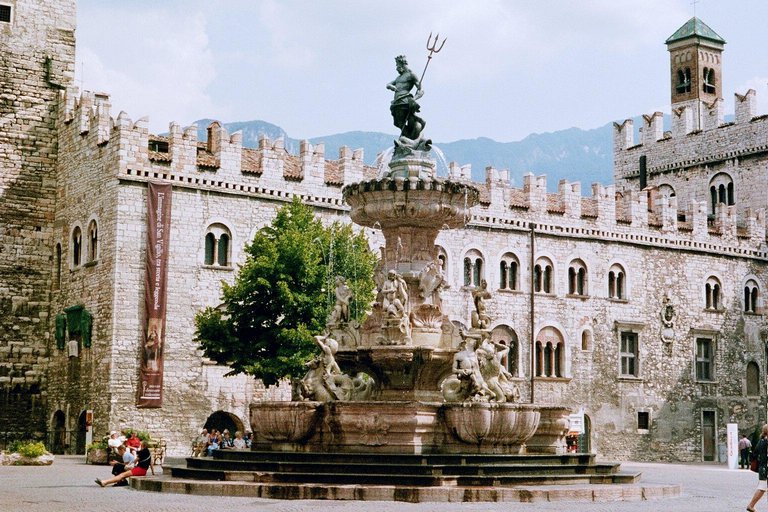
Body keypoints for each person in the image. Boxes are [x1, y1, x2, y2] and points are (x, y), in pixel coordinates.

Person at [747, 424, 768, 511]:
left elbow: (755, 453)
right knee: (762, 488)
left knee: (762, 488)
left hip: (762, 467)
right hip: (766, 467)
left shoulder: (761, 441)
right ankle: (751, 505)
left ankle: (751, 505)